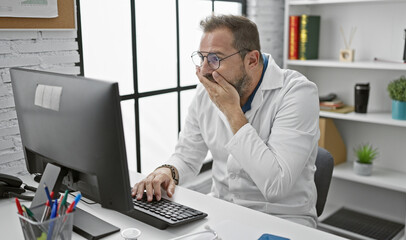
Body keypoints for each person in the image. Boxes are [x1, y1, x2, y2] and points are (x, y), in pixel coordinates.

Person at [132, 14, 320, 228]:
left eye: (215, 59)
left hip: (281, 220)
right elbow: (187, 155)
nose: (203, 70)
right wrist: (168, 171)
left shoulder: (298, 93)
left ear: (252, 60)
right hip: (220, 213)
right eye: (201, 58)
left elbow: (276, 185)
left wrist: (231, 110)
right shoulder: (206, 92)